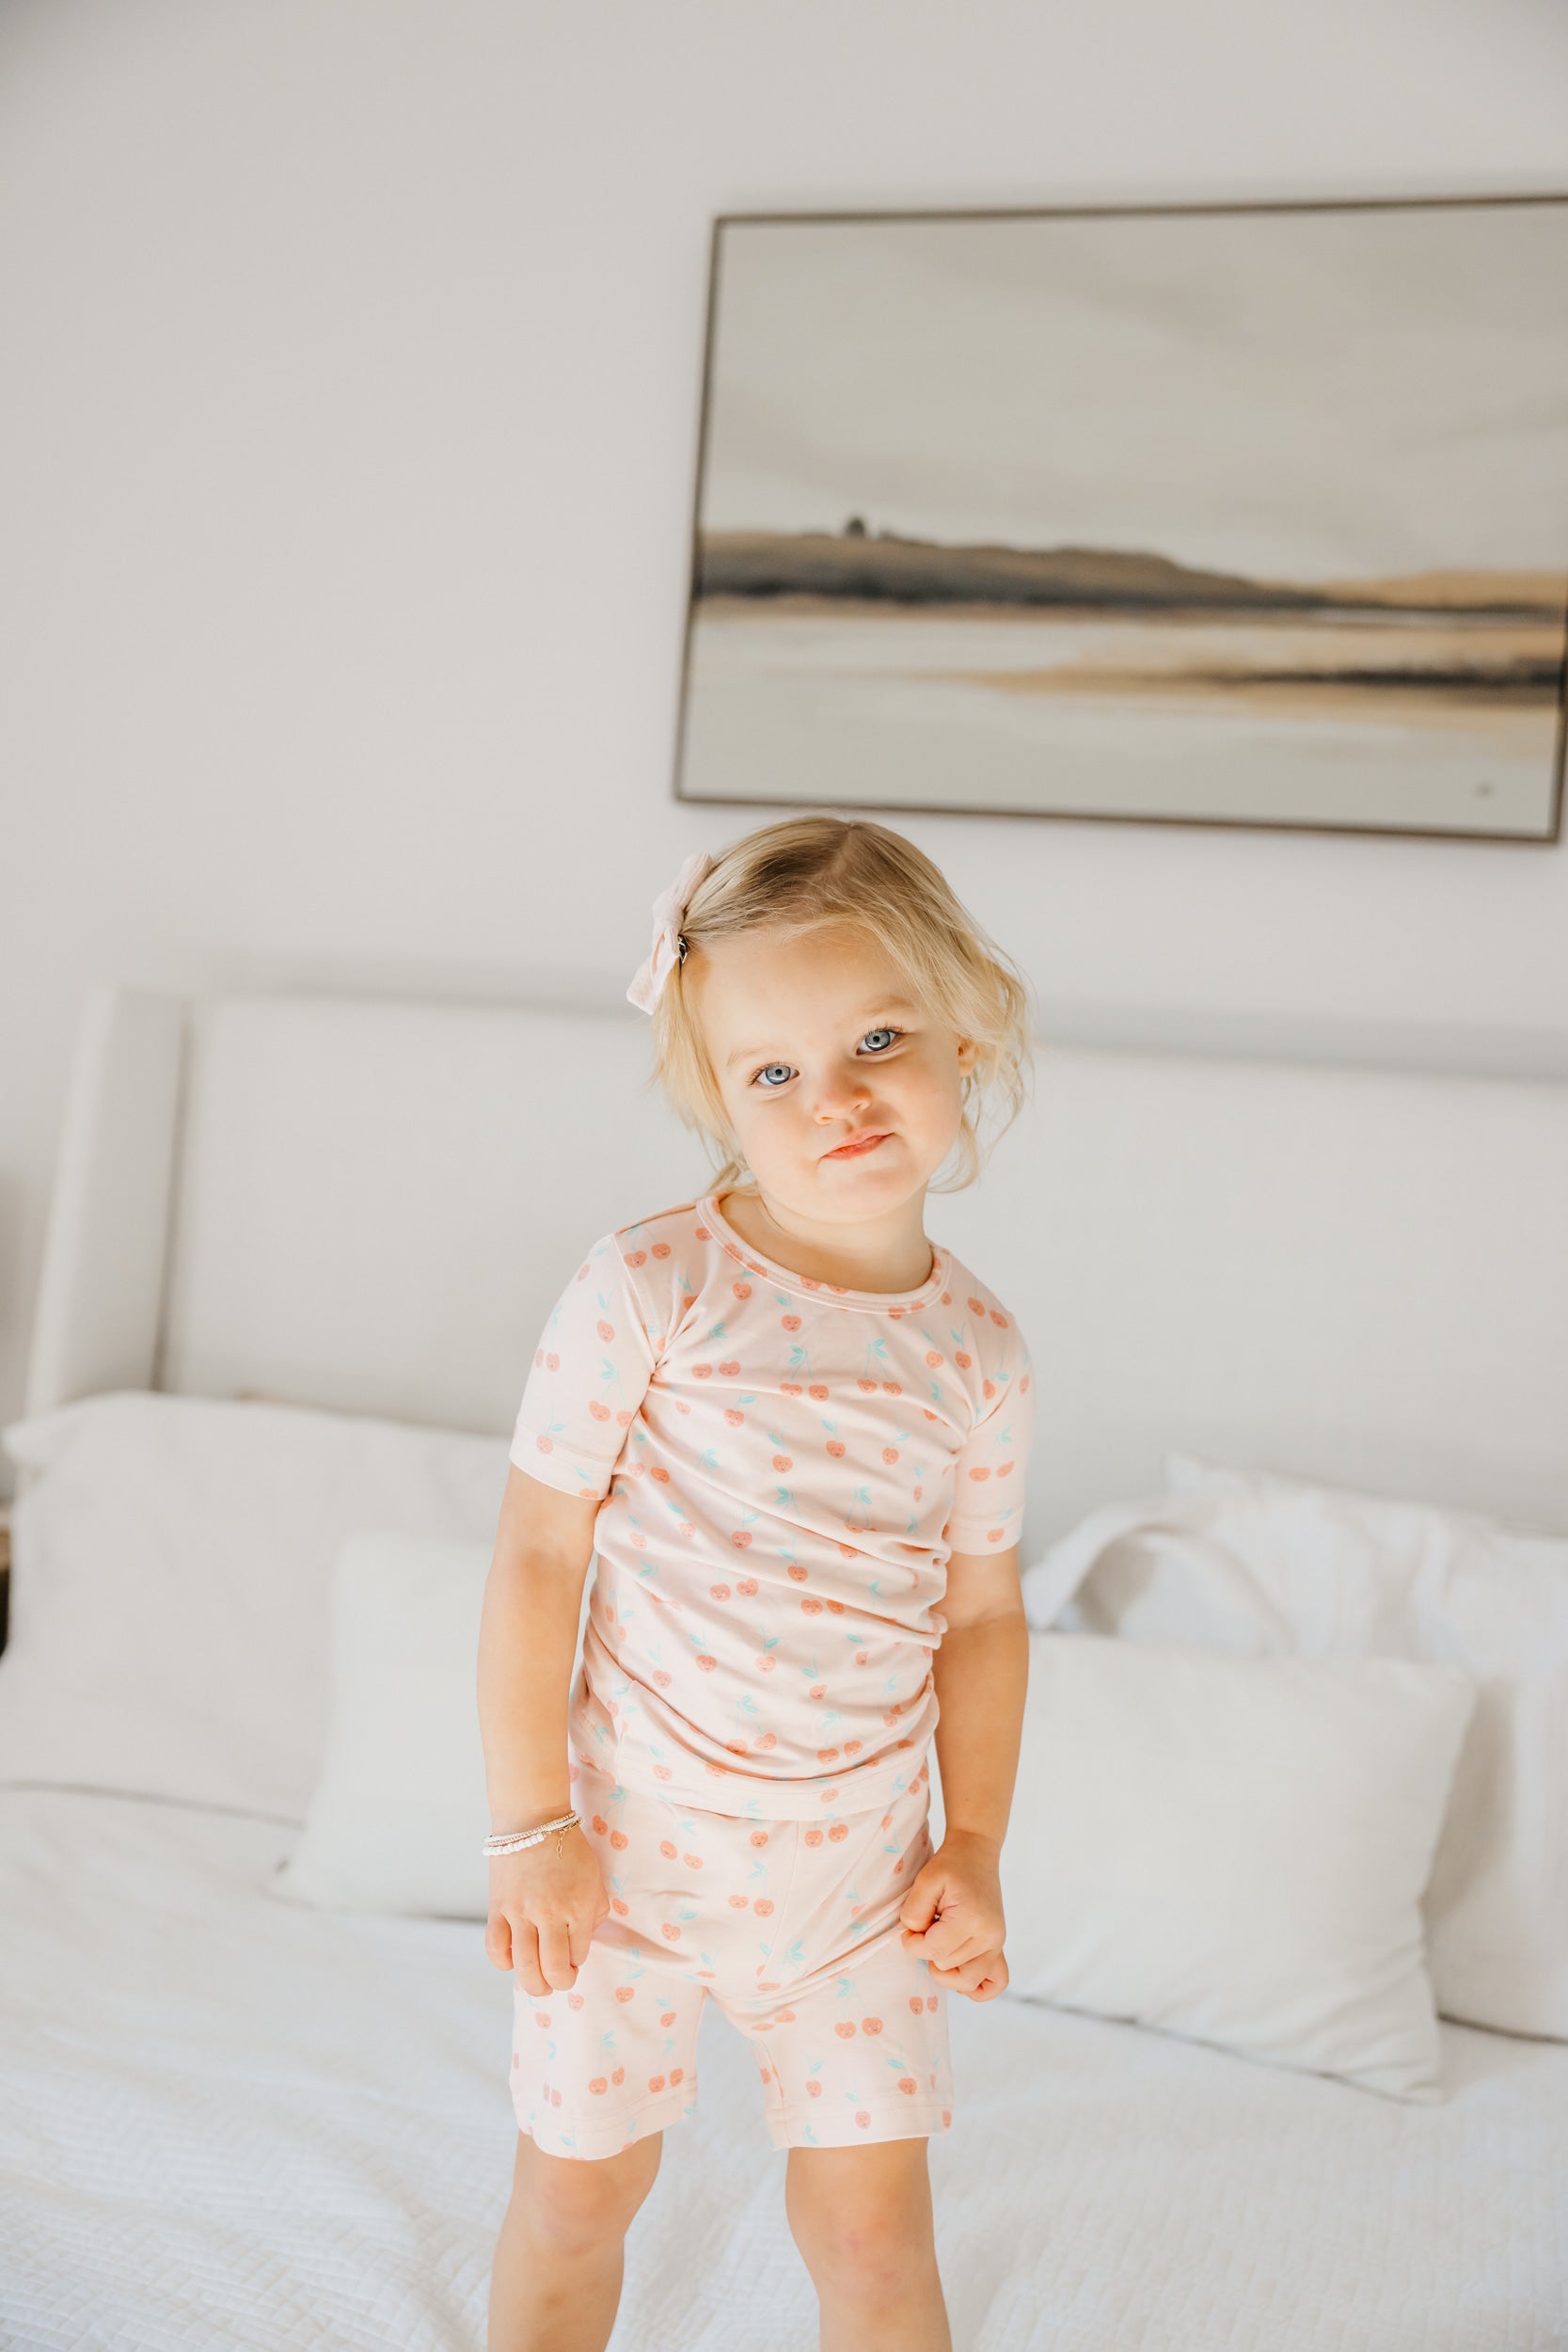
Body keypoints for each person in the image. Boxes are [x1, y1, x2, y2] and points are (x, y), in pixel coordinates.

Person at [478, 815, 1037, 2352]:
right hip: (623, 1863)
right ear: (718, 1096)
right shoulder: (649, 1286)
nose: (834, 1099)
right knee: (577, 2200)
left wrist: (975, 1842)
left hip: (855, 1887)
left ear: (969, 1028)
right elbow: (537, 1552)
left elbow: (985, 1617)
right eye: (773, 1072)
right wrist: (529, 1827)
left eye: (878, 1041)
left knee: (874, 2242)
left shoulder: (980, 1354)